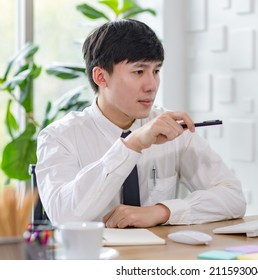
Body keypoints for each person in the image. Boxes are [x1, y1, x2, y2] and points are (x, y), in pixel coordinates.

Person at [36, 19, 246, 228]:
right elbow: (63, 216)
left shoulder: (172, 127)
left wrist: (162, 211)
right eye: (138, 72)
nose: (152, 85)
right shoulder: (59, 137)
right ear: (101, 77)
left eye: (156, 71)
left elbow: (233, 198)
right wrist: (131, 145)